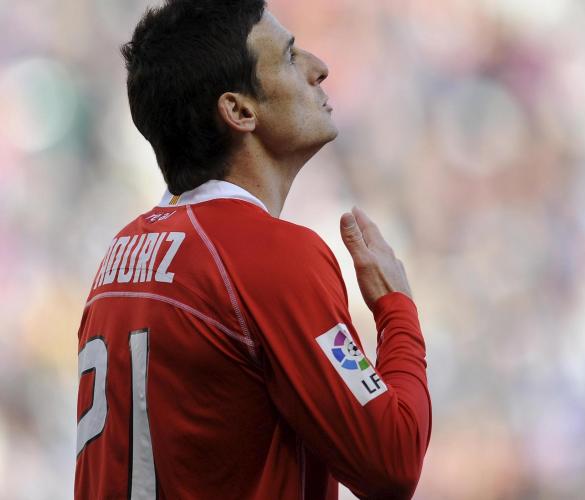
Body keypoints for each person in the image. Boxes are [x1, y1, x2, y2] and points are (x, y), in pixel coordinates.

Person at [74, 0, 432, 498]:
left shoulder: (120, 255)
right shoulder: (270, 255)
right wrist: (397, 311)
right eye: (289, 56)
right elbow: (393, 458)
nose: (318, 68)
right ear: (240, 111)